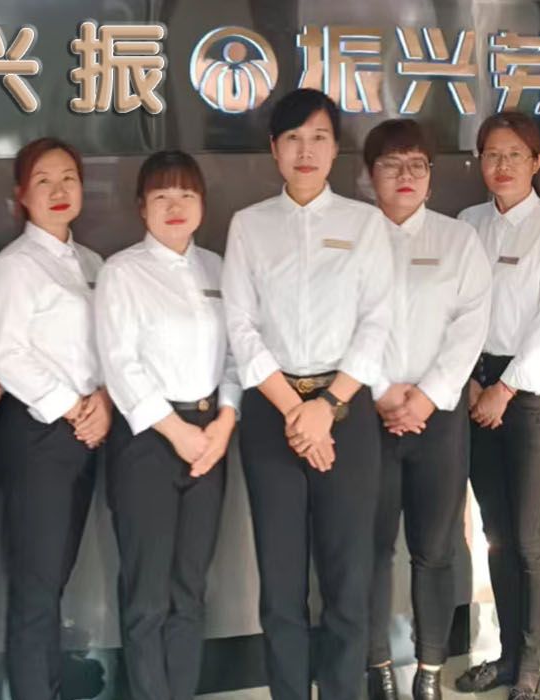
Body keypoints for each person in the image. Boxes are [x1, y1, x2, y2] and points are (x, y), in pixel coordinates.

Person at [223, 87, 394, 700]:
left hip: (345, 413)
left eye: (319, 137)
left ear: (335, 148)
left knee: (347, 578)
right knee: (281, 582)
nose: (306, 150)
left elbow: (377, 322)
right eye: (293, 138)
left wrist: (326, 407)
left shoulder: (363, 223)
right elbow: (240, 326)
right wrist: (298, 412)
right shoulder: (249, 225)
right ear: (274, 149)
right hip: (273, 414)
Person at [96, 150, 239, 700]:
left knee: (190, 588)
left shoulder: (218, 269)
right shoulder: (122, 271)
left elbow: (237, 354)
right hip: (149, 442)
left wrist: (224, 422)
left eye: (186, 195)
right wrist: (179, 433)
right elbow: (120, 363)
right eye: (161, 196)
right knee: (148, 594)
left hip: (211, 437)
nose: (174, 206)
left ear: (202, 203)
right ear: (142, 207)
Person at [359, 119, 491, 700]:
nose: (405, 175)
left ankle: (430, 670)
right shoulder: (352, 237)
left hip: (438, 418)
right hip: (368, 415)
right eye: (391, 164)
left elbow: (470, 324)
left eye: (417, 164)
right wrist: (383, 391)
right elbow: (340, 322)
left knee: (434, 550)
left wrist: (427, 396)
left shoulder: (458, 239)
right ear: (370, 176)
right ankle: (378, 667)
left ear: (432, 176)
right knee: (369, 549)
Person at [452, 110, 540, 700]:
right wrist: (472, 384)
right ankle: (506, 655)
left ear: (536, 162)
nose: (501, 166)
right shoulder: (467, 225)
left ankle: (531, 663)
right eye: (491, 155)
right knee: (497, 532)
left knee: (532, 538)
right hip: (475, 386)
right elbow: (456, 312)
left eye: (514, 155)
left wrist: (503, 390)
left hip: (530, 393)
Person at [0, 138, 110, 700]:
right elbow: (7, 354)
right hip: (40, 435)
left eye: (68, 178)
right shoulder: (14, 267)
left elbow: (111, 347)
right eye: (43, 180)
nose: (59, 190)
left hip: (89, 429)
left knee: (56, 578)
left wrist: (103, 401)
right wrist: (73, 407)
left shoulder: (94, 265)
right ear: (21, 195)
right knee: (36, 588)